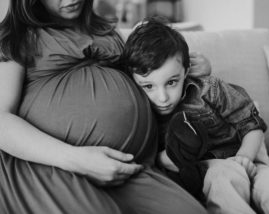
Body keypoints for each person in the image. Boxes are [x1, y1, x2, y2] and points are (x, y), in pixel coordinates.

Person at [0, 1, 208, 213]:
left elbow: (154, 72)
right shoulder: (16, 37)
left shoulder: (107, 31)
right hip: (53, 166)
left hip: (131, 168)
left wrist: (195, 67)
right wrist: (77, 159)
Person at [120, 18, 269, 214]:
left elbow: (252, 125)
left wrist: (245, 157)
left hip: (245, 161)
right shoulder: (138, 112)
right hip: (207, 173)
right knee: (225, 177)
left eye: (172, 82)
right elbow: (151, 159)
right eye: (148, 86)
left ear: (186, 71)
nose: (162, 98)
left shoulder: (209, 89)